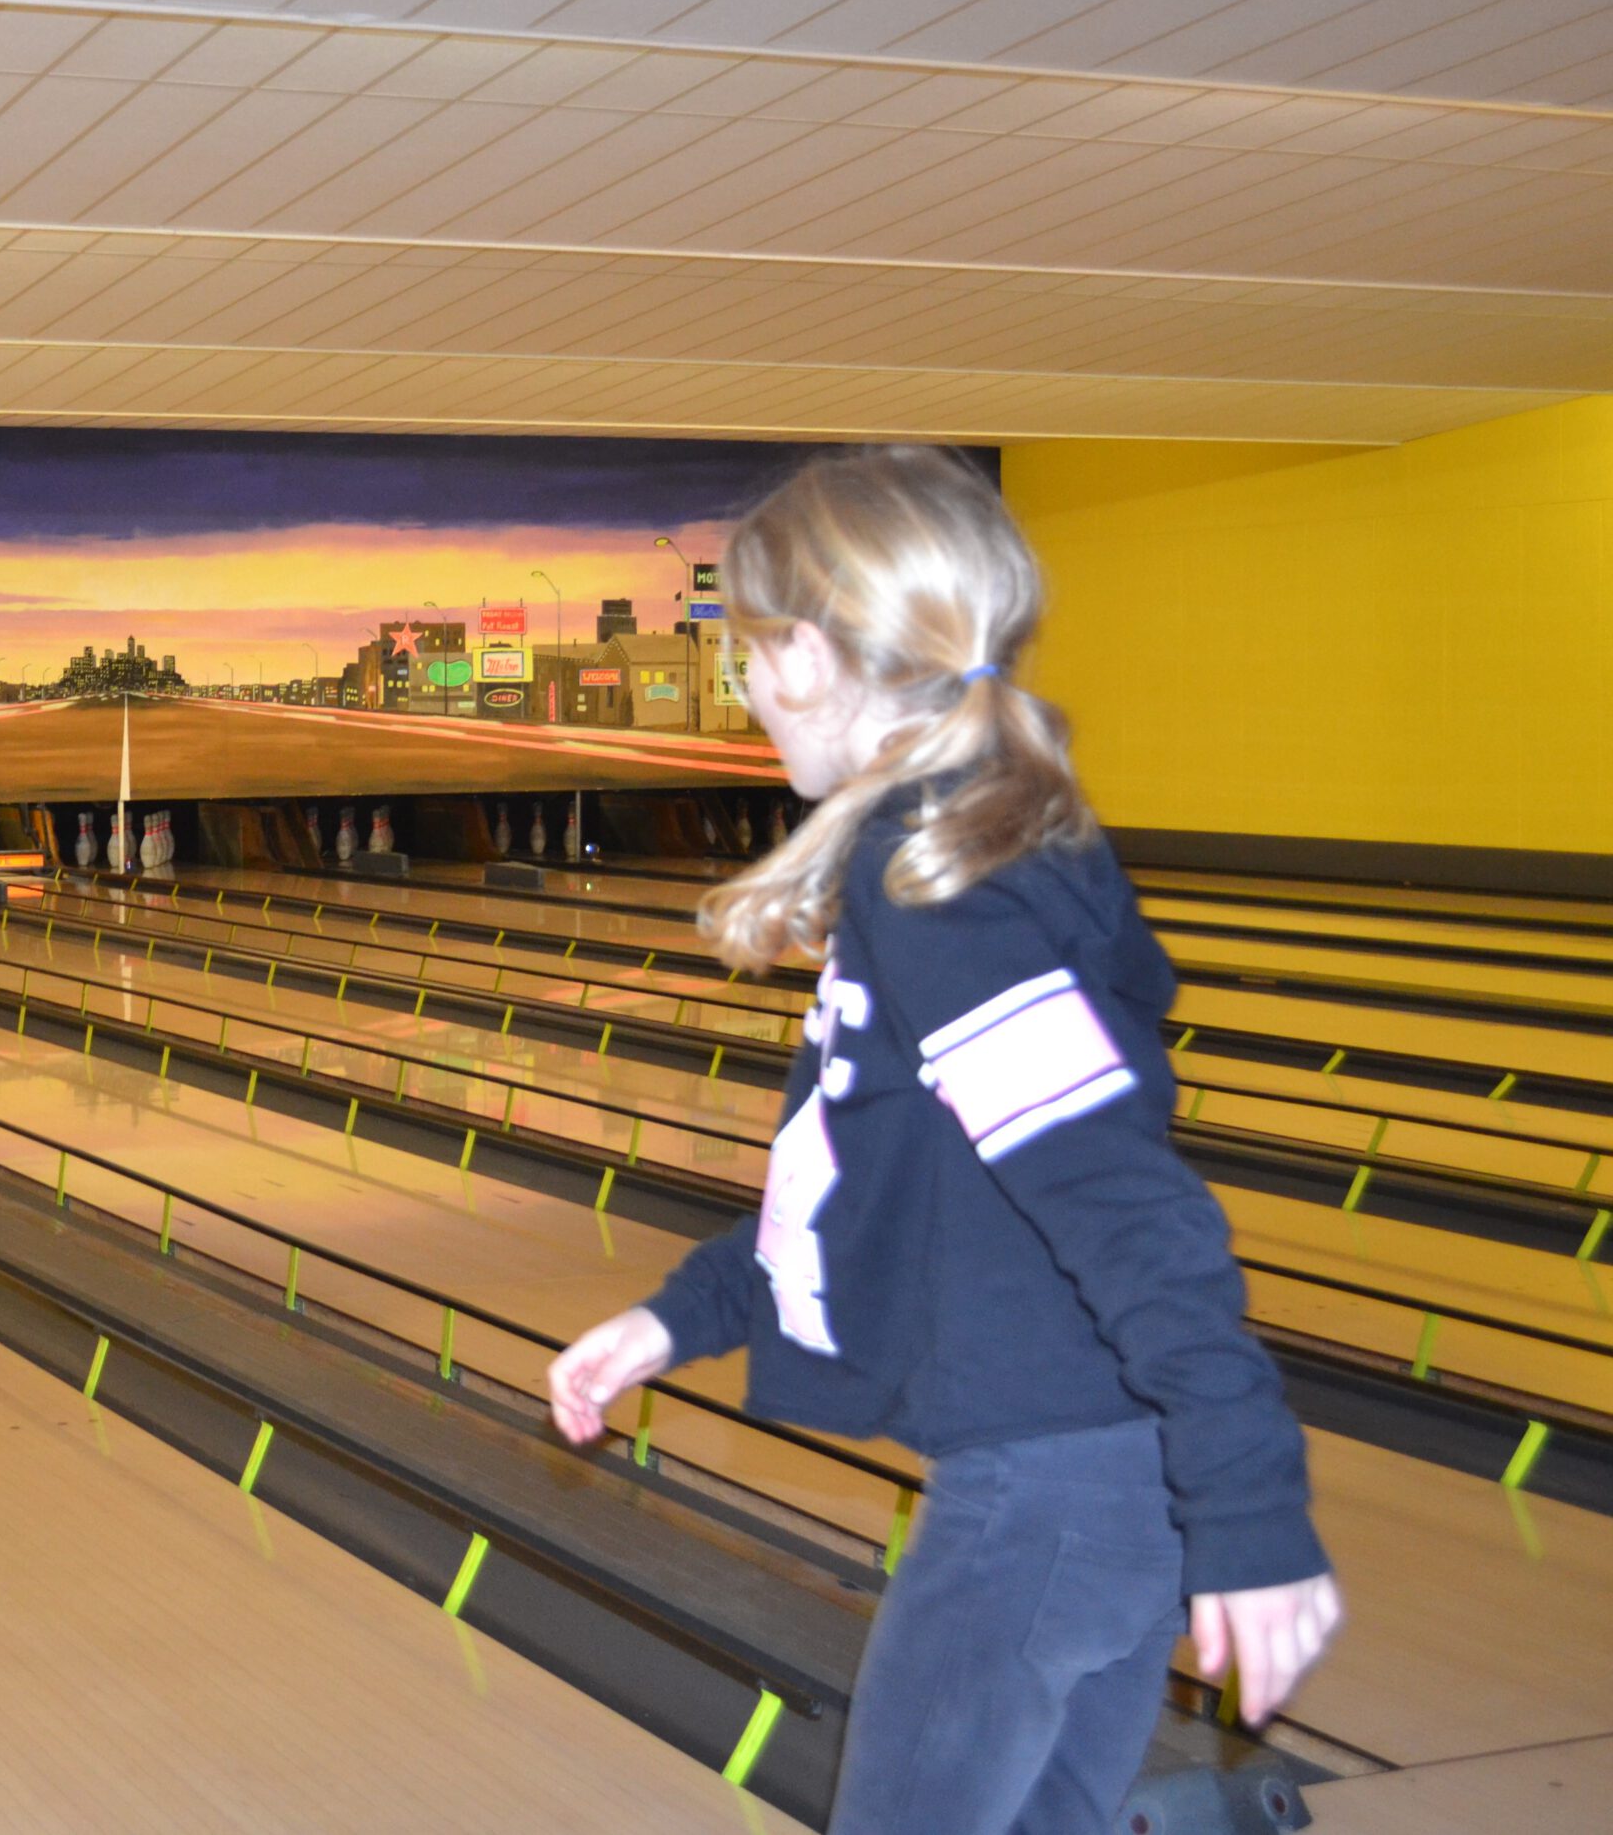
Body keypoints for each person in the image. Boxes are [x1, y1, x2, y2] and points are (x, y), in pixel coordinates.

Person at [548, 448, 1338, 1834]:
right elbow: (882, 1179)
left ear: (806, 655)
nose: (747, 687)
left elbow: (1120, 1198)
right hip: (1107, 1484)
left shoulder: (935, 885)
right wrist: (686, 1313)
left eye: (748, 652)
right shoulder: (968, 849)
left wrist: (1256, 1509)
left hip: (1048, 1494)